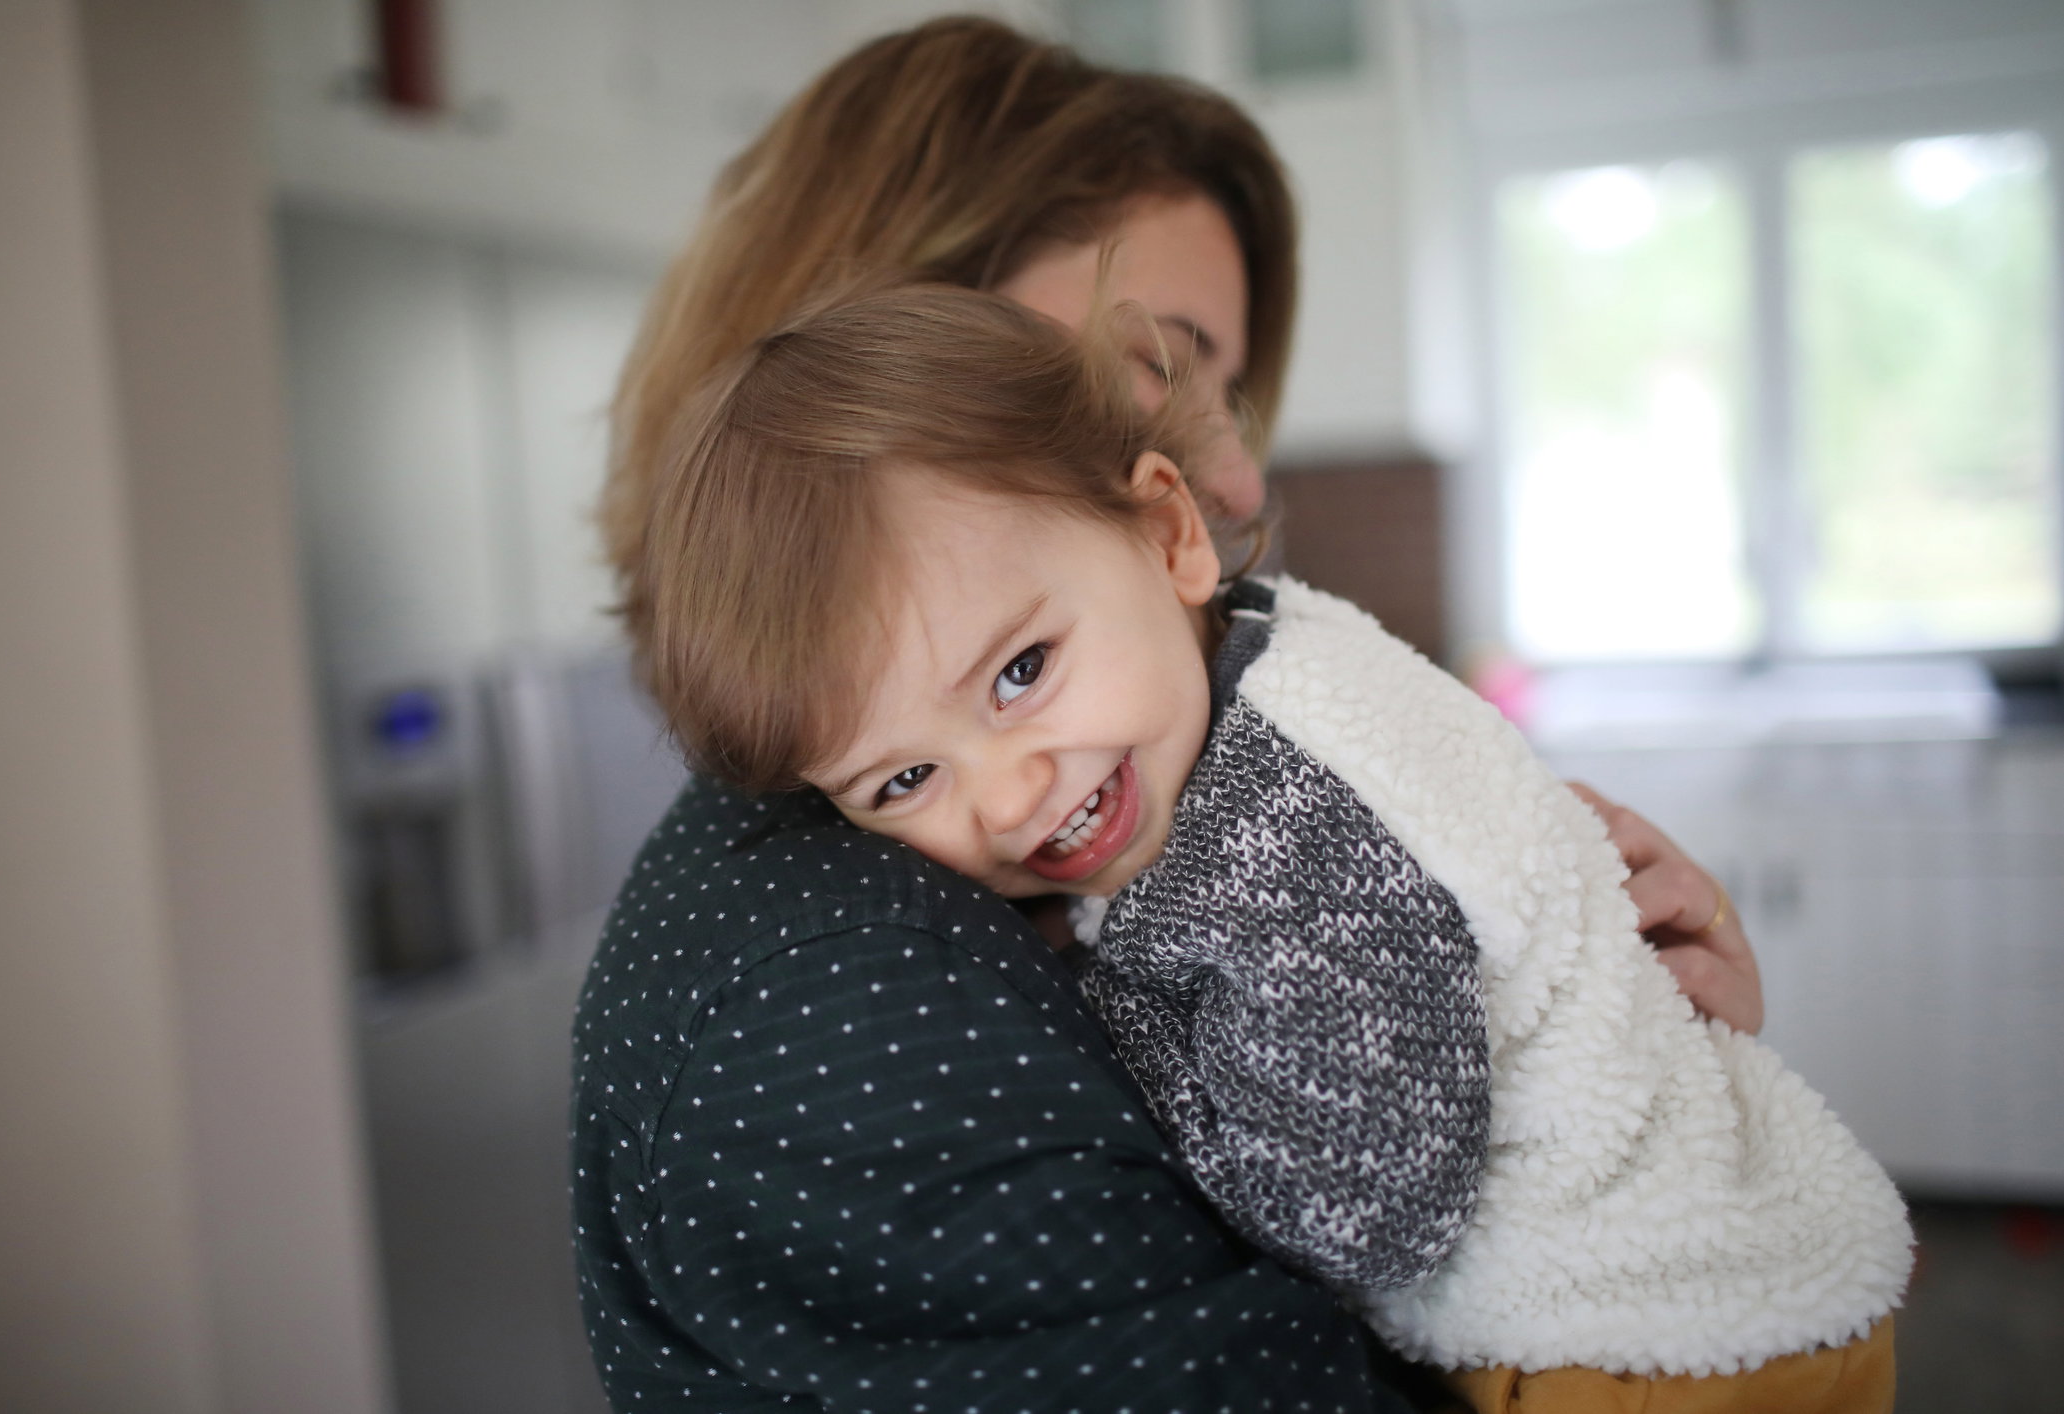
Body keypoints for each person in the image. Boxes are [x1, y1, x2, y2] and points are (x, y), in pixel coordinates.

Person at [575, 16, 1759, 1409]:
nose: (1242, 479)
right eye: (1169, 358)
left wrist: (1617, 1088)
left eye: (1235, 391)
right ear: (888, 357)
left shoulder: (1105, 825)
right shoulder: (834, 994)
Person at [630, 281, 1911, 1413]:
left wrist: (1125, 1047)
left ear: (1170, 534)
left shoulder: (1276, 841)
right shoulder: (1253, 661)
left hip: (1648, 1348)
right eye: (905, 778)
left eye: (1021, 671)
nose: (1010, 796)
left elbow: (1365, 1219)